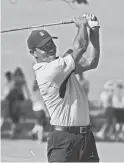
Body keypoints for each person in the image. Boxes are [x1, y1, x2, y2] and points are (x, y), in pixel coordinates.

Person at [27, 13, 100, 162]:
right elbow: (80, 46)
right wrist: (81, 25)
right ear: (33, 53)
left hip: (86, 138)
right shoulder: (48, 71)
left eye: (51, 43)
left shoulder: (62, 66)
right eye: (44, 47)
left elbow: (92, 61)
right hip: (64, 140)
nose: (51, 48)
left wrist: (94, 30)